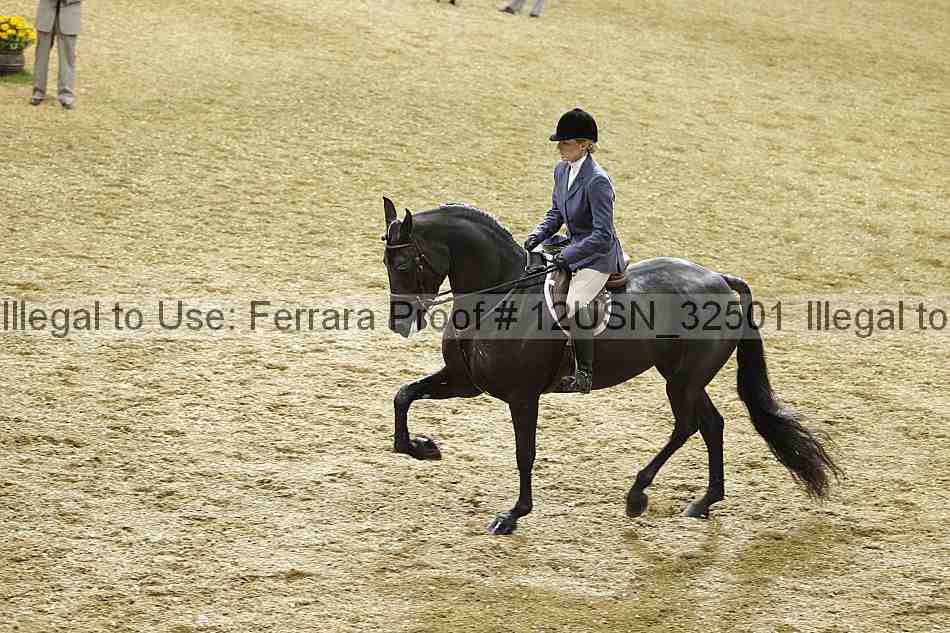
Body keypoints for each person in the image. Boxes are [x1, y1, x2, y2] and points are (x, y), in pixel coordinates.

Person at [523, 108, 625, 394]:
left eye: (565, 143)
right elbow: (556, 212)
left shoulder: (598, 181)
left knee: (575, 303)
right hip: (572, 242)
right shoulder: (562, 170)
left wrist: (567, 256)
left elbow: (603, 235)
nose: (559, 148)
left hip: (597, 255)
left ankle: (584, 373)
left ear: (584, 145)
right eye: (559, 142)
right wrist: (538, 234)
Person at [31, 0, 82, 109]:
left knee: (67, 59)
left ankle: (66, 96)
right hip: (45, 15)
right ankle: (38, 93)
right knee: (40, 57)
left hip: (70, 17)